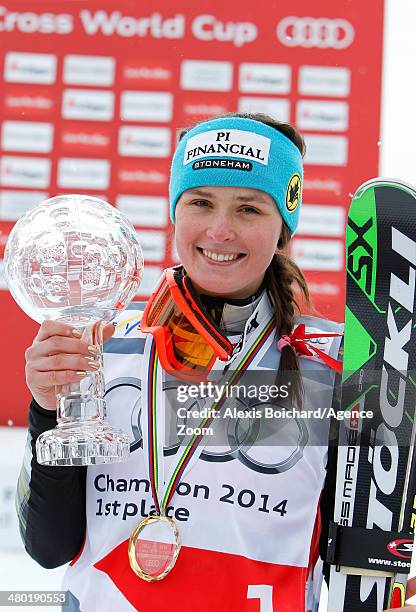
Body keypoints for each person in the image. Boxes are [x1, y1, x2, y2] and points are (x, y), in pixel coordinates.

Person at [16, 113, 415, 611]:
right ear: (175, 213)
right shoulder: (105, 346)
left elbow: (370, 545)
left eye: (249, 209)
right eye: (201, 203)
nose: (220, 230)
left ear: (283, 228)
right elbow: (48, 546)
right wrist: (48, 412)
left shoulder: (335, 365)